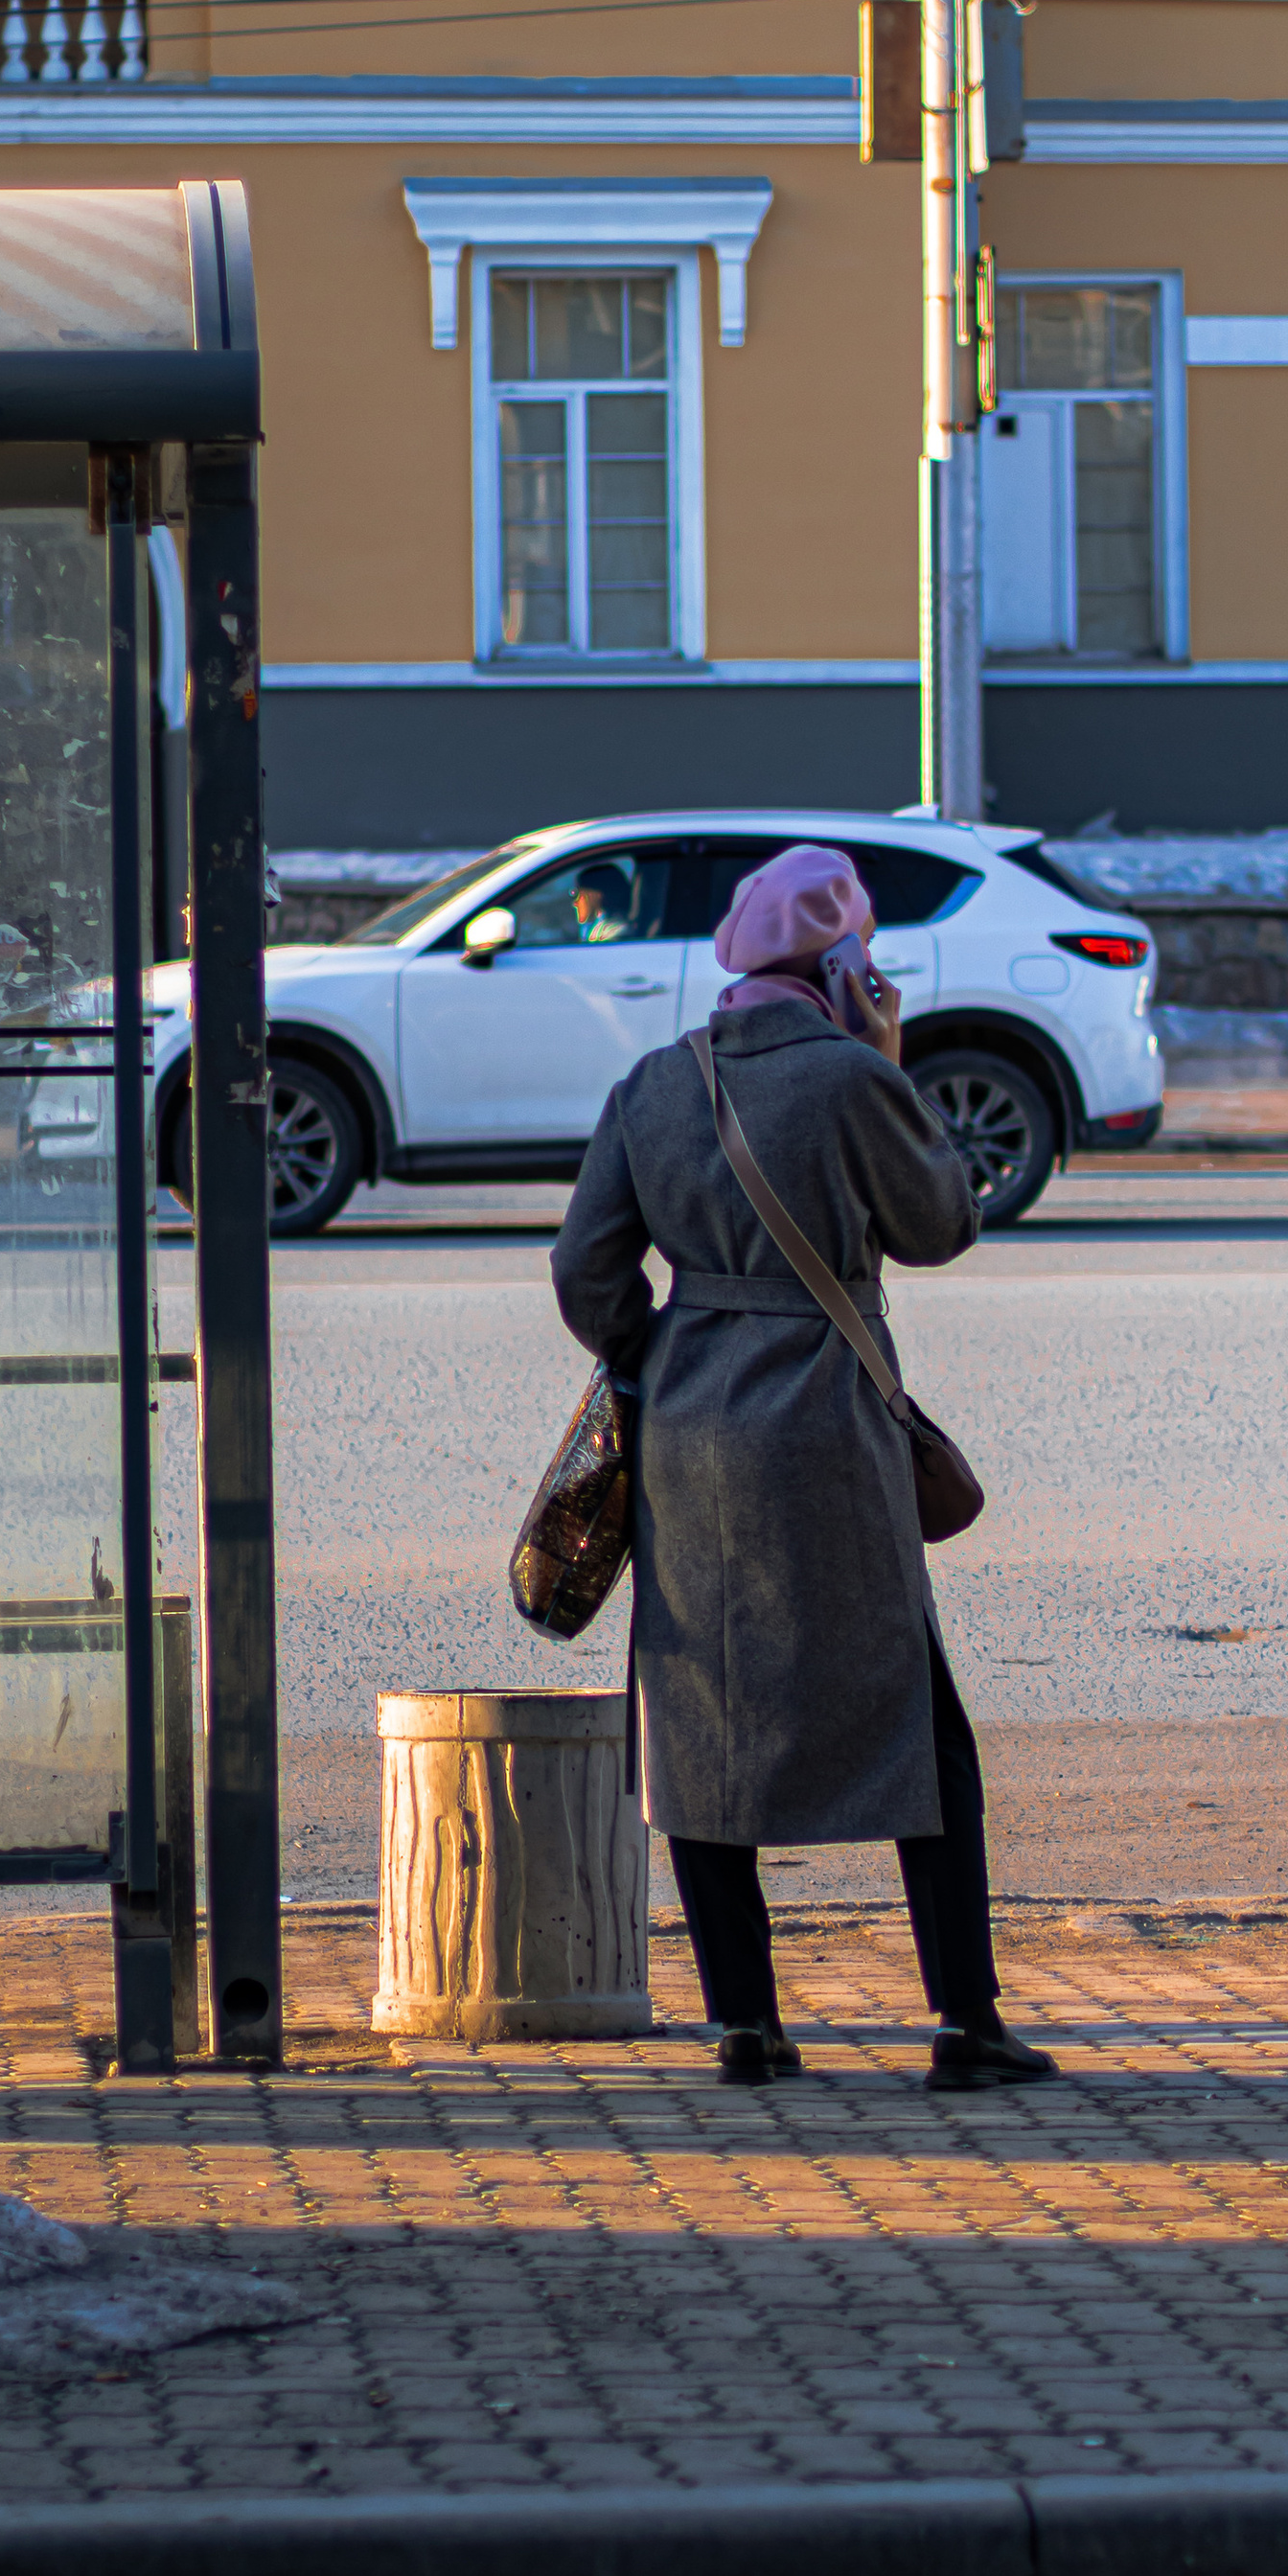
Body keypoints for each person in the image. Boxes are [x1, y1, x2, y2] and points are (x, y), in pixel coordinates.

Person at [550, 840, 1057, 2090]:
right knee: (916, 1726)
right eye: (865, 958)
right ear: (838, 965)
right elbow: (940, 1228)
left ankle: (747, 2028)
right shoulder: (850, 1077)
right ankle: (964, 2024)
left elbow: (584, 1274)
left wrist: (658, 1357)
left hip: (688, 1429)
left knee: (703, 1721)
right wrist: (888, 1064)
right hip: (829, 1423)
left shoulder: (656, 1086)